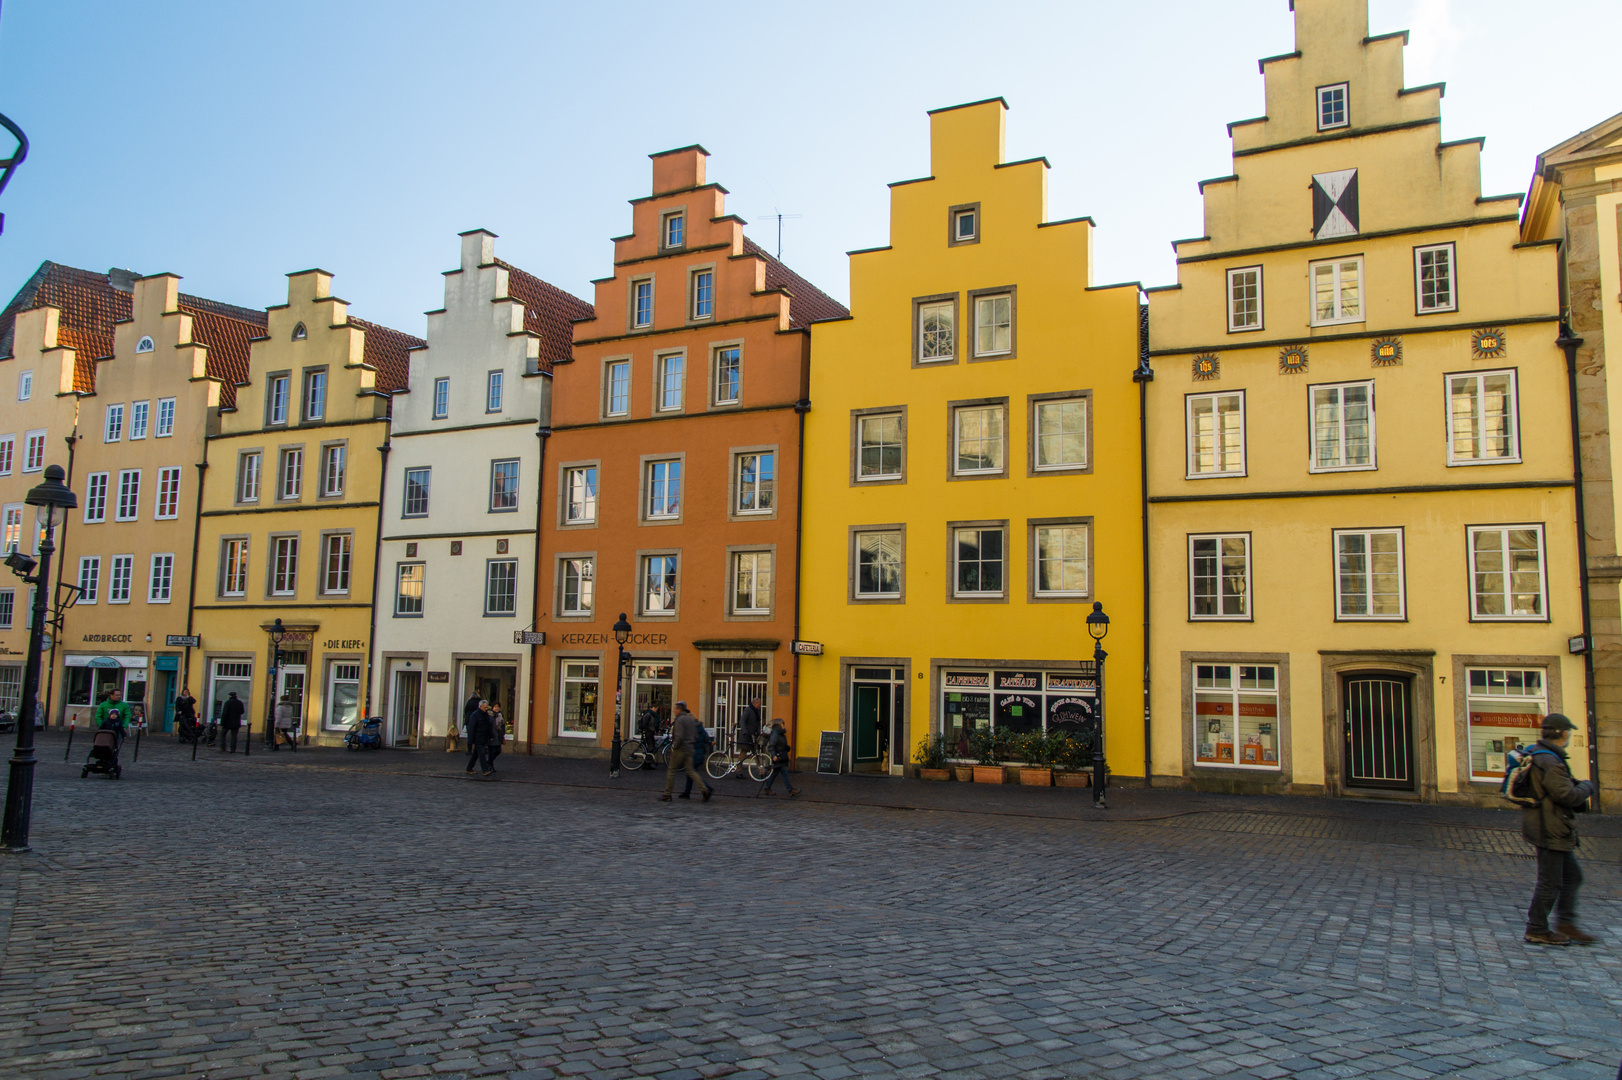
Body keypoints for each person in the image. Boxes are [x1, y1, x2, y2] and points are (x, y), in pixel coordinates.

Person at [1522, 713, 1599, 945]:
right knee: (1550, 881)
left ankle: (1566, 923)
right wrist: (1586, 786)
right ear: (1562, 733)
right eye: (1568, 732)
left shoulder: (1540, 755)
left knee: (1571, 876)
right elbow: (1566, 795)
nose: (1569, 736)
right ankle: (1536, 928)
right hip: (1551, 827)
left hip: (1549, 825)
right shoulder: (1550, 761)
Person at [661, 700, 711, 802]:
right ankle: (704, 789)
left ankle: (667, 794)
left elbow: (679, 736)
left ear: (679, 710)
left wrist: (674, 746)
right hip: (690, 748)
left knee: (671, 770)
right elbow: (696, 735)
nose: (674, 711)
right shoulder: (690, 720)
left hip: (680, 749)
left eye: (675, 709)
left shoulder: (679, 720)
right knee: (691, 771)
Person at [760, 718, 799, 797]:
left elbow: (781, 744)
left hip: (781, 755)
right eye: (783, 724)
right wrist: (774, 755)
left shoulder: (780, 733)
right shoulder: (775, 734)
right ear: (779, 725)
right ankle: (790, 789)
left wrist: (787, 748)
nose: (784, 726)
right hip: (778, 756)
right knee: (784, 772)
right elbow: (772, 746)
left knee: (775, 773)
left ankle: (767, 788)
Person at [682, 717, 713, 799]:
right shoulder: (701, 729)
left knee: (693, 774)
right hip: (700, 754)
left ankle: (707, 788)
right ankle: (686, 792)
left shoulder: (691, 730)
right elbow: (706, 740)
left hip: (693, 755)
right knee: (690, 773)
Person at [465, 700, 494, 778]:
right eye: (485, 707)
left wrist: (491, 736)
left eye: (487, 707)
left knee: (476, 754)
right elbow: (471, 728)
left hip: (483, 737)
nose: (486, 709)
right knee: (481, 754)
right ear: (480, 706)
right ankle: (485, 770)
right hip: (477, 738)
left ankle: (469, 768)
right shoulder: (475, 715)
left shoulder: (486, 715)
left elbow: (488, 727)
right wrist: (470, 741)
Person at [488, 704, 507, 770]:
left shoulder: (500, 715)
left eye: (498, 707)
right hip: (492, 735)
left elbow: (503, 724)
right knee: (492, 751)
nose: (497, 708)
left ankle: (489, 762)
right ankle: (490, 765)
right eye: (495, 707)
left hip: (498, 735)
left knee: (498, 751)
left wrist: (503, 733)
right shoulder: (490, 715)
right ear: (492, 707)